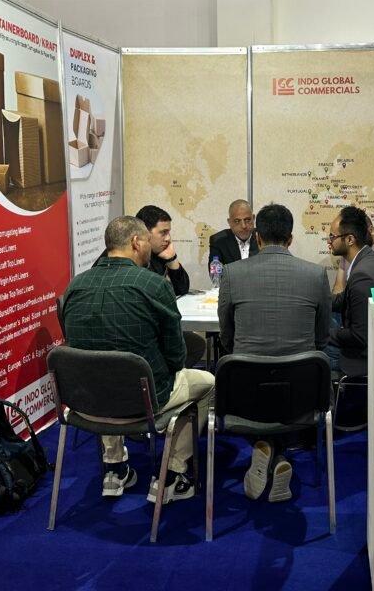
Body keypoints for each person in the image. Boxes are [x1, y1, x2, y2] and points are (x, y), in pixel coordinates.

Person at [62, 215, 214, 504]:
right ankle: (172, 472)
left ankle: (114, 467)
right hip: (144, 400)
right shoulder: (153, 286)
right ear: (136, 242)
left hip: (87, 401)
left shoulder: (74, 287)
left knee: (104, 372)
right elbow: (176, 356)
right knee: (208, 384)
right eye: (146, 240)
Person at [217, 203, 331, 502]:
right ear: (290, 239)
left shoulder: (231, 274)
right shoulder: (316, 274)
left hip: (244, 395)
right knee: (283, 384)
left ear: (257, 237)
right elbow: (321, 338)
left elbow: (226, 336)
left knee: (260, 383)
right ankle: (277, 453)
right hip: (302, 396)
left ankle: (265, 448)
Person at [325, 205, 374, 376]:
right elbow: (343, 300)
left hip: (361, 358)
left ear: (350, 239)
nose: (328, 241)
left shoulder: (362, 275)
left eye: (332, 236)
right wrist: (315, 298)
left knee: (309, 345)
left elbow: (359, 336)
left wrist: (323, 333)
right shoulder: (371, 260)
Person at [136, 204, 190, 297]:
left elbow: (182, 289)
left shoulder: (159, 253)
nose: (168, 238)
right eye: (163, 233)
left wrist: (172, 259)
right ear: (144, 233)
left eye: (168, 232)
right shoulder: (132, 256)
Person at [207, 199, 259, 269]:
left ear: (253, 218)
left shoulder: (263, 237)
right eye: (237, 221)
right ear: (229, 222)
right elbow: (215, 273)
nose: (243, 226)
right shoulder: (218, 241)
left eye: (247, 220)